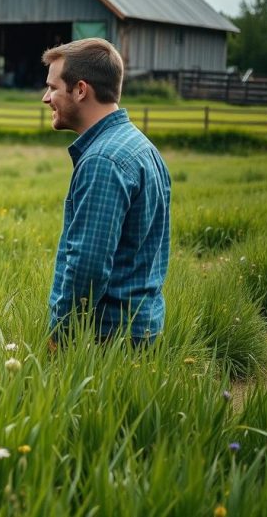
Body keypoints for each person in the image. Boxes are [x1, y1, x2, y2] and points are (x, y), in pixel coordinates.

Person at [41, 38, 171, 346]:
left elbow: (88, 265)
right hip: (141, 327)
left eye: (53, 87)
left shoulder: (103, 160)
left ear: (81, 90)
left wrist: (61, 334)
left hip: (106, 337)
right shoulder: (143, 147)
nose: (46, 98)